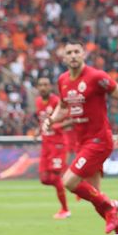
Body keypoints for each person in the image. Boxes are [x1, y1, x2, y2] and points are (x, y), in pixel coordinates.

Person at [44, 40, 118, 235]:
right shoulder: (63, 80)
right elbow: (63, 107)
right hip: (82, 143)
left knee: (69, 182)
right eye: (69, 52)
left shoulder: (96, 77)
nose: (73, 55)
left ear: (83, 54)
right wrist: (52, 119)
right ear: (64, 57)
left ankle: (111, 205)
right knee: (94, 195)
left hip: (99, 140)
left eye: (77, 51)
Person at [34, 76, 70, 219]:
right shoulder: (38, 102)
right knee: (44, 178)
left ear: (50, 87)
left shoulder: (56, 101)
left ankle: (65, 209)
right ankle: (72, 178)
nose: (43, 87)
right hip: (46, 144)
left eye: (46, 84)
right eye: (41, 85)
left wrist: (53, 126)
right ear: (37, 87)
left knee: (55, 177)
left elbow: (69, 121)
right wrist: (39, 130)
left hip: (58, 144)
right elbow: (43, 121)